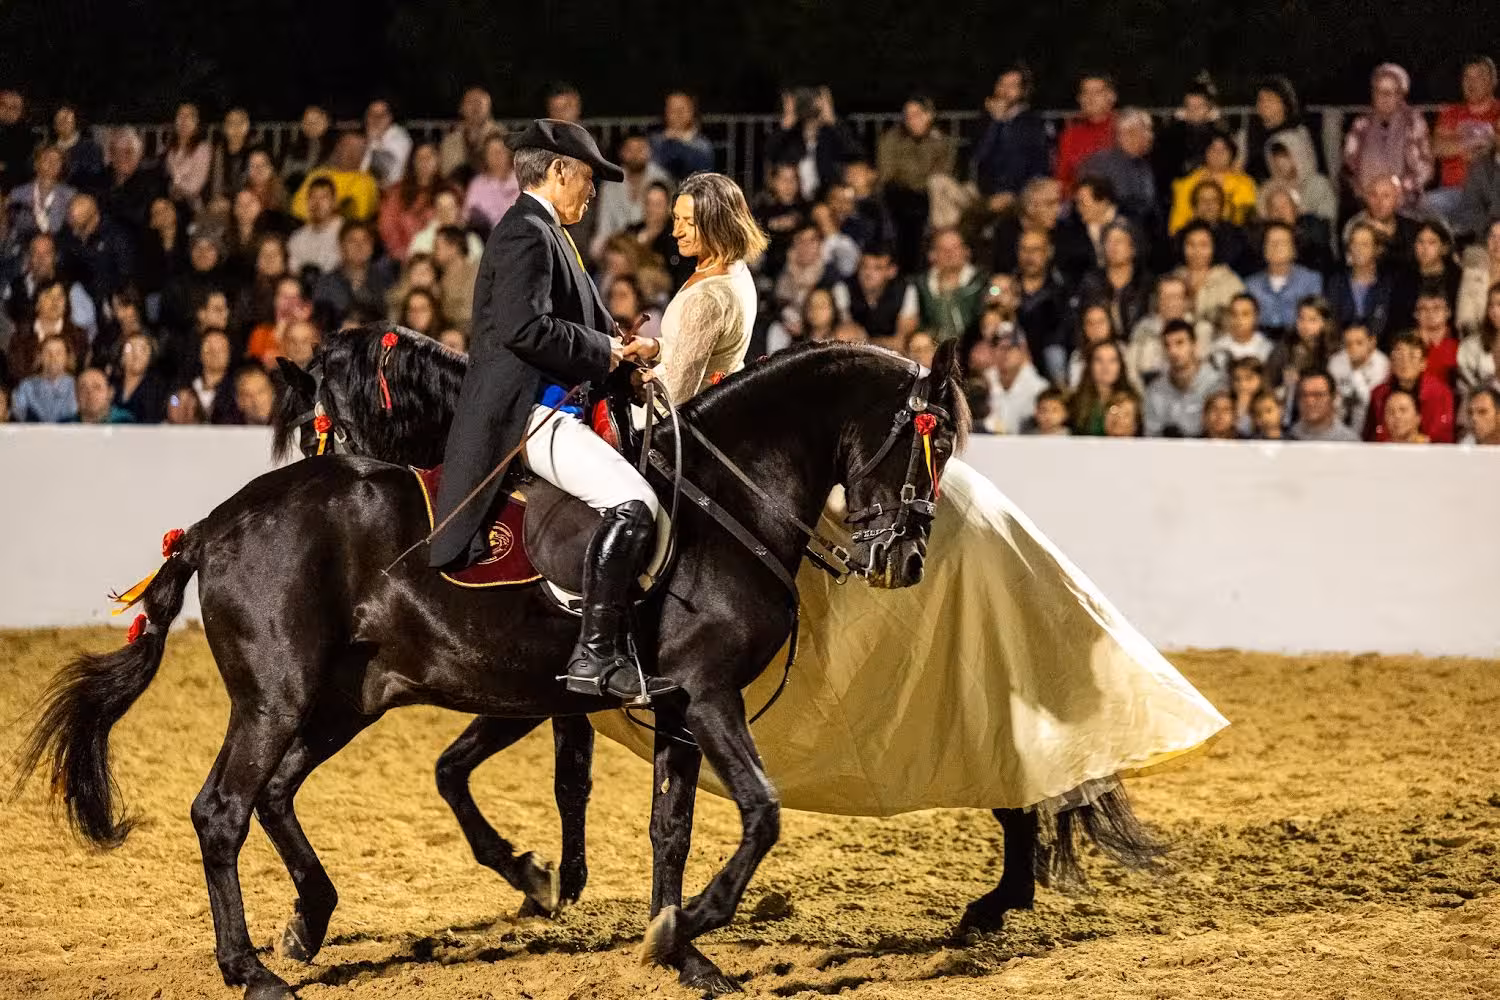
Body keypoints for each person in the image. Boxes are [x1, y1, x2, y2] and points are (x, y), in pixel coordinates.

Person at [428, 118, 674, 705]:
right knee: (634, 504)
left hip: (557, 406)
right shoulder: (526, 233)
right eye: (588, 178)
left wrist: (620, 350)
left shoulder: (549, 233)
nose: (593, 192)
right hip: (528, 416)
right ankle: (596, 656)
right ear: (559, 171)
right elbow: (524, 327)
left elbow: (568, 325)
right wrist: (605, 350)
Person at [624, 172, 764, 404]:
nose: (677, 231)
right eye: (676, 219)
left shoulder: (710, 296)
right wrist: (655, 347)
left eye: (689, 222)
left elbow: (678, 391)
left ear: (718, 223)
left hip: (681, 426)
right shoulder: (732, 268)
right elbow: (702, 349)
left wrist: (637, 378)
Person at [877, 96, 956, 273]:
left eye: (916, 114)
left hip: (928, 196)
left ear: (928, 116)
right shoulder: (892, 138)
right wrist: (916, 176)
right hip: (899, 194)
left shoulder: (940, 140)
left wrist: (917, 176)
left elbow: (943, 171)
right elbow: (889, 173)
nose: (911, 120)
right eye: (908, 115)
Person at [1341, 63, 1433, 210]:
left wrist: (1397, 188)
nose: (1384, 98)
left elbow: (1426, 169)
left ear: (1401, 96)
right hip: (1367, 197)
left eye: (1390, 93)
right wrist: (1366, 191)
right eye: (1379, 92)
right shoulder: (1361, 124)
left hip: (1405, 199)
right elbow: (1349, 164)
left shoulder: (1414, 122)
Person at [971, 66, 1051, 218]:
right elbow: (978, 158)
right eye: (1002, 84)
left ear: (1022, 91)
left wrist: (1013, 193)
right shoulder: (985, 120)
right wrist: (996, 123)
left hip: (1021, 192)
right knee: (941, 185)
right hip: (984, 191)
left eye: (1012, 86)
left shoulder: (1032, 123)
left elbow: (1040, 165)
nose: (1005, 90)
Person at [1428, 56, 1500, 223]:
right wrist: (1481, 142)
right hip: (1453, 191)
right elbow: (1438, 148)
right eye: (1467, 77)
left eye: (1479, 77)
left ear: (1492, 81)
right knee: (1425, 205)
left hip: (1491, 191)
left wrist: (1458, 143)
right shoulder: (1450, 113)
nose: (1471, 83)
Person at [588, 134, 672, 260]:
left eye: (640, 149)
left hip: (657, 243)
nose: (635, 155)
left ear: (649, 151)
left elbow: (666, 220)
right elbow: (604, 226)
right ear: (621, 152)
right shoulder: (610, 185)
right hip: (618, 245)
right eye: (630, 150)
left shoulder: (662, 179)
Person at [1363, 335, 1455, 443]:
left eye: (1412, 356)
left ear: (1423, 363)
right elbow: (1370, 435)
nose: (1405, 362)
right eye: (1399, 356)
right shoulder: (1379, 394)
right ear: (1391, 362)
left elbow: (1444, 435)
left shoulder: (1441, 393)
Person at [1079, 108, 1158, 235]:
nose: (1151, 136)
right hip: (1109, 234)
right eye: (1146, 130)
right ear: (1126, 134)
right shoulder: (1100, 164)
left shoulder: (1145, 164)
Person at [1128, 274, 1213, 384]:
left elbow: (1206, 370)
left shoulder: (1201, 329)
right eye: (1166, 297)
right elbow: (1131, 371)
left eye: (1176, 297)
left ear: (1187, 301)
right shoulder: (1143, 329)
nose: (1171, 303)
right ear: (1157, 301)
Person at [1143, 319, 1222, 437]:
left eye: (1179, 343)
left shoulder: (1216, 383)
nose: (1173, 351)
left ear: (1194, 344)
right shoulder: (1155, 390)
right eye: (1167, 345)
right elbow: (1151, 435)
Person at [1245, 222, 1323, 337]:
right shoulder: (1251, 285)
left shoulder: (1310, 280)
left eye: (1283, 243)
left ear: (1294, 249)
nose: (1276, 247)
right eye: (1271, 242)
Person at [1169, 132, 1256, 234]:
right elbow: (1177, 225)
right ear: (1205, 152)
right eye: (1213, 149)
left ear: (1232, 154)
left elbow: (1243, 217)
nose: (1218, 154)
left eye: (1223, 149)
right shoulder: (1188, 183)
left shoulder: (1245, 183)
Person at [1238, 76, 1319, 183]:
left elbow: (1307, 171)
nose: (1264, 104)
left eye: (1270, 99)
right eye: (1261, 100)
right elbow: (1238, 165)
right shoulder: (1248, 133)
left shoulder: (1297, 133)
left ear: (1285, 104)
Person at [1327, 223, 1395, 349]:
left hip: (1378, 349)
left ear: (1377, 249)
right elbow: (1332, 320)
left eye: (1364, 244)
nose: (1358, 249)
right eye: (1354, 244)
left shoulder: (1387, 285)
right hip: (1341, 348)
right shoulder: (1337, 282)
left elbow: (1384, 324)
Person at [835, 249, 918, 349]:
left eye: (877, 268)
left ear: (892, 271)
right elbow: (846, 337)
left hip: (893, 358)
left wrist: (866, 341)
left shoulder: (906, 290)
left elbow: (901, 342)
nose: (868, 274)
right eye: (864, 267)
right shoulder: (843, 288)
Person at [290, 132, 381, 223]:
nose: (348, 152)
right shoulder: (318, 173)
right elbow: (297, 209)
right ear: (337, 148)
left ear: (363, 154)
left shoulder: (365, 181)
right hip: (305, 227)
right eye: (345, 146)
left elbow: (357, 218)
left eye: (356, 148)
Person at [1173, 219, 1245, 332]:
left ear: (1214, 248)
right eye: (1191, 244)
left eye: (1203, 245)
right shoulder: (1173, 278)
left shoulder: (1229, 281)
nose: (1197, 251)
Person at [917, 228, 985, 343]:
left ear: (966, 251)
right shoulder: (921, 284)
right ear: (932, 255)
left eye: (955, 248)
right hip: (933, 347)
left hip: (972, 346)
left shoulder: (982, 281)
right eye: (943, 249)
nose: (949, 254)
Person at [377, 144, 442, 262]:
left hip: (439, 257)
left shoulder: (449, 190)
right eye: (420, 158)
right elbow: (387, 225)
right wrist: (404, 254)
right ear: (413, 162)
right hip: (402, 257)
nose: (425, 162)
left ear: (438, 160)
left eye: (430, 157)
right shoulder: (397, 191)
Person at [1054, 74, 1117, 196]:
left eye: (1097, 92)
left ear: (1111, 96)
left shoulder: (1123, 130)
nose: (1090, 98)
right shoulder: (1069, 135)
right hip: (1078, 202)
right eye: (1085, 93)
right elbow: (1061, 178)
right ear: (1079, 98)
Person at [1328, 322, 1389, 433]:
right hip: (1338, 425)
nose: (1353, 348)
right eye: (1348, 344)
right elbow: (1332, 401)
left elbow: (1370, 403)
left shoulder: (1382, 364)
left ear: (1372, 342)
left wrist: (1356, 372)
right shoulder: (1336, 362)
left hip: (1370, 426)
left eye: (1359, 343)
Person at [7, 146, 76, 243]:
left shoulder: (70, 195)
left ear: (62, 167)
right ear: (36, 164)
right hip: (23, 245)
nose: (52, 163)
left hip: (58, 246)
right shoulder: (18, 193)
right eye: (47, 158)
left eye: (57, 160)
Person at [440, 87, 504, 183]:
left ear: (489, 107)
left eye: (479, 103)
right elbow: (446, 172)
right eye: (470, 102)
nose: (475, 108)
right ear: (461, 108)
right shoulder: (451, 139)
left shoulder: (501, 135)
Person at [1068, 338, 1129, 435]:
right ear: (1090, 365)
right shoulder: (1075, 402)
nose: (1106, 366)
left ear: (1121, 365)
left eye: (1112, 360)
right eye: (1099, 360)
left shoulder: (1132, 400)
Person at [9, 335, 77, 422]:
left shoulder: (76, 386)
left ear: (67, 357)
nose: (53, 358)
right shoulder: (26, 386)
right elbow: (18, 413)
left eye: (59, 353)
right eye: (48, 352)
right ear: (40, 357)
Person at [650, 91, 715, 180]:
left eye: (682, 109)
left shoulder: (703, 145)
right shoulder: (655, 142)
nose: (678, 114)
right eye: (673, 110)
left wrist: (681, 142)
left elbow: (704, 176)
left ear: (692, 112)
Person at [287, 177, 345, 276]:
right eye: (312, 197)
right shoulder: (296, 238)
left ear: (334, 202)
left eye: (323, 198)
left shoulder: (345, 233)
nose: (317, 203)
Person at [464, 134, 520, 232]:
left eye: (500, 152)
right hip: (486, 238)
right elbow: (468, 215)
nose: (497, 157)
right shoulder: (477, 185)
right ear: (485, 157)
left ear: (509, 154)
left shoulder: (523, 180)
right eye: (492, 153)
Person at [1456, 280, 1500, 406]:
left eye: (1499, 305)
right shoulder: (1471, 345)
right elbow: (1465, 383)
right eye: (1490, 305)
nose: (1494, 311)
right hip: (1479, 406)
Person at [164, 102, 211, 210]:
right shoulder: (168, 149)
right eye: (180, 115)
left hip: (190, 206)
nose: (184, 120)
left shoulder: (203, 149)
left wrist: (174, 188)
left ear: (196, 122)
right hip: (167, 204)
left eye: (189, 116)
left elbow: (194, 187)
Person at [1287, 370, 1359, 442]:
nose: (1309, 402)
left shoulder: (1349, 441)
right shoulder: (1288, 436)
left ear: (1333, 397)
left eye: (1318, 395)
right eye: (1304, 395)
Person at [112, 332, 168, 423]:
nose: (136, 355)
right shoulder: (111, 384)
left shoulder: (158, 387)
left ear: (150, 357)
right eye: (130, 348)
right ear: (121, 355)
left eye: (143, 349)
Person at [280, 106, 335, 196]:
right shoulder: (294, 147)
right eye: (307, 121)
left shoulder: (335, 146)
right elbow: (285, 174)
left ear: (326, 122)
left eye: (316, 120)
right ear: (302, 124)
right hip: (297, 194)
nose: (311, 125)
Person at [1210, 293, 1273, 370]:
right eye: (1234, 314)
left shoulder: (1267, 350)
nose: (1239, 320)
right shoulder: (1218, 348)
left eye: (1245, 314)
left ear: (1256, 317)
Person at [361, 100, 413, 189]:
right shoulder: (362, 137)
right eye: (372, 114)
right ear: (366, 118)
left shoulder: (400, 139)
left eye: (382, 115)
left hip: (391, 191)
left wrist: (374, 141)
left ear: (390, 118)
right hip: (365, 188)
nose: (376, 119)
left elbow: (381, 175)